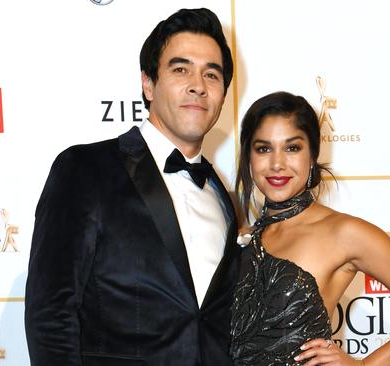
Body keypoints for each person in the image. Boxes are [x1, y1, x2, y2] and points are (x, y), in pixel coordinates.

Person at [24, 8, 240, 365]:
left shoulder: (221, 195)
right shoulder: (85, 170)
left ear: (222, 94)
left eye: (211, 74)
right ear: (148, 83)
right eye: (180, 68)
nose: (197, 85)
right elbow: (50, 314)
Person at [230, 91, 390, 365]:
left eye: (292, 148)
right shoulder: (245, 236)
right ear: (249, 157)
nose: (277, 163)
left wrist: (364, 365)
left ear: (312, 155)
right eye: (263, 148)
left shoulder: (343, 232)